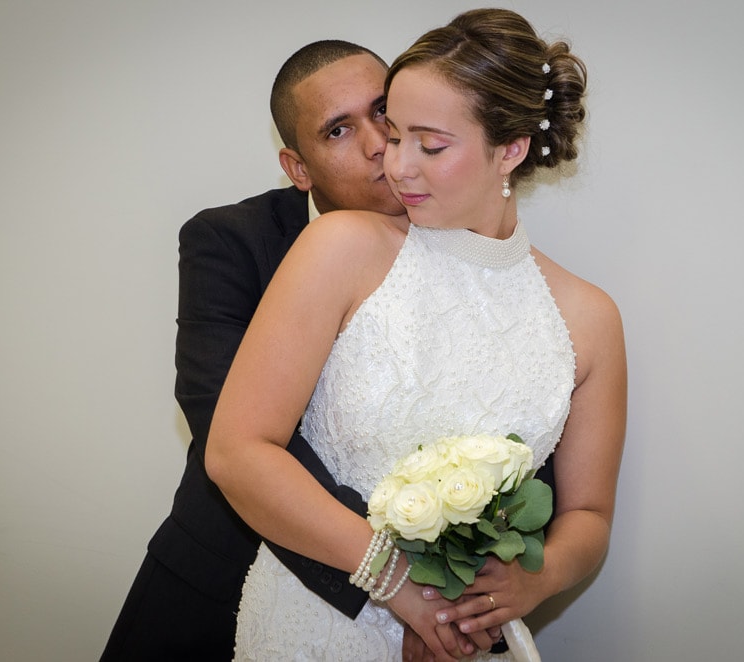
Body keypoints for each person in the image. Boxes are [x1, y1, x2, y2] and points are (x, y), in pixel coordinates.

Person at [207, 7, 627, 662]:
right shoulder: (341, 247)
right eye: (394, 134)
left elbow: (589, 517)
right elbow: (237, 452)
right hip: (316, 624)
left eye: (429, 145)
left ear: (509, 149)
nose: (396, 164)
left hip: (470, 641)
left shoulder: (588, 317)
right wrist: (397, 583)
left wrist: (519, 585)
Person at [100, 40, 463, 660]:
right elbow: (223, 420)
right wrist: (400, 569)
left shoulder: (463, 244)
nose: (378, 143)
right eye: (340, 130)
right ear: (298, 168)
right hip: (224, 579)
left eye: (383, 112)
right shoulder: (231, 240)